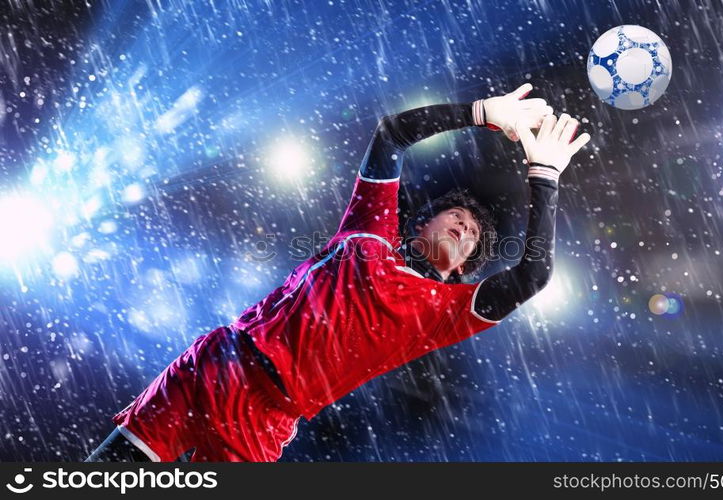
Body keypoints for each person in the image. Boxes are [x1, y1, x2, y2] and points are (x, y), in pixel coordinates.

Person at [85, 83, 590, 462]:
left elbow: (531, 278)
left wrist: (543, 176)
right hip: (214, 366)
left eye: (475, 235)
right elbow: (392, 134)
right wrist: (481, 114)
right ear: (419, 224)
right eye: (455, 214)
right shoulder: (367, 231)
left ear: (460, 271)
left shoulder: (443, 313)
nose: (464, 224)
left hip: (263, 420)